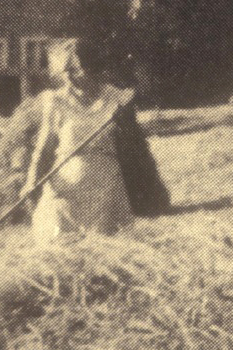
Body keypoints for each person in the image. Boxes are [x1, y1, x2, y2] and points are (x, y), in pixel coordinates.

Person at [23, 39, 169, 243]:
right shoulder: (56, 101)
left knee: (104, 246)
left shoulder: (116, 100)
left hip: (106, 191)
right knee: (59, 244)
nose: (69, 79)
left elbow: (135, 149)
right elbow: (44, 148)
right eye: (63, 73)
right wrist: (31, 182)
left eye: (75, 70)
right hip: (64, 190)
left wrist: (124, 123)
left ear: (92, 67)